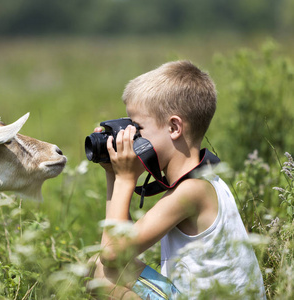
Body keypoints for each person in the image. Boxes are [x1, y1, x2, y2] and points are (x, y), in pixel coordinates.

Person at [88, 61, 265, 299]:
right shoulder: (207, 181)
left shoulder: (192, 191)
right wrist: (113, 174)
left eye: (137, 127)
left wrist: (124, 179)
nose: (131, 137)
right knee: (97, 265)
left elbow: (112, 254)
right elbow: (121, 244)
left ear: (174, 127)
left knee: (104, 273)